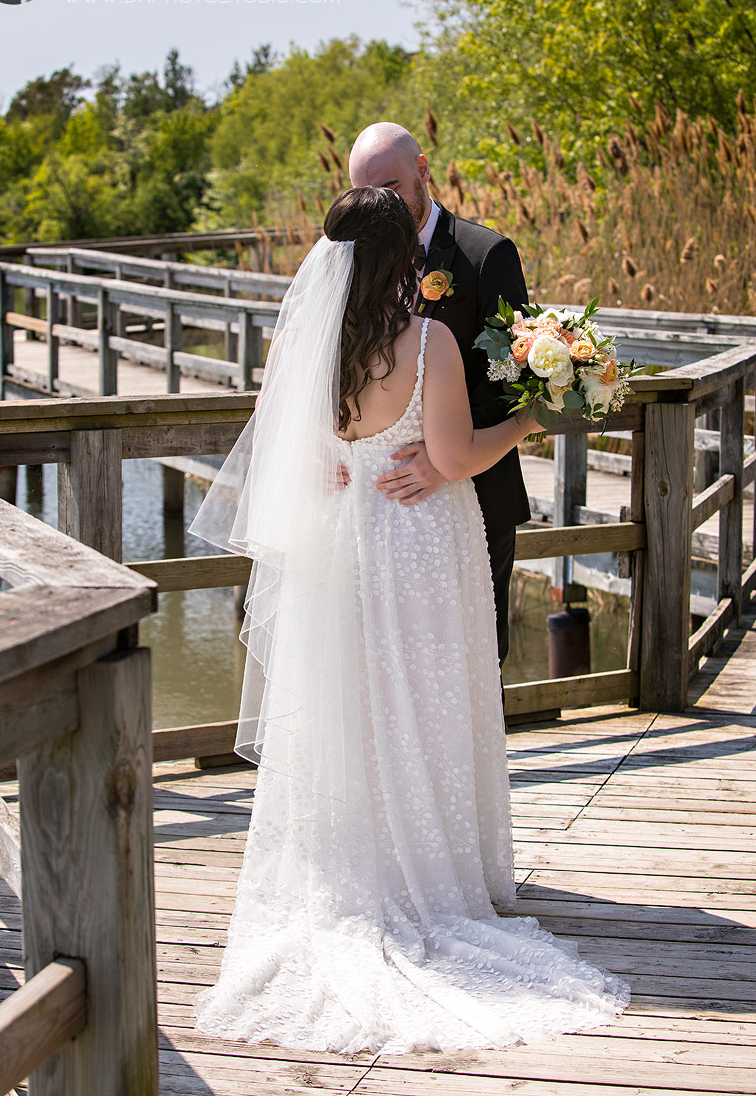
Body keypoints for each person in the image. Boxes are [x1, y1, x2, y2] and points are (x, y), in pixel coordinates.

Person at [188, 186, 630, 1054]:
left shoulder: (306, 345)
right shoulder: (425, 338)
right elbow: (454, 457)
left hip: (344, 543)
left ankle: (353, 875)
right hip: (423, 543)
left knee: (351, 708)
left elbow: (295, 442)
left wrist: (333, 461)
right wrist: (531, 418)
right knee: (425, 707)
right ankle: (430, 881)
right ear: (406, 258)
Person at [348, 122, 529, 679]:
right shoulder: (348, 259)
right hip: (376, 510)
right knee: (379, 670)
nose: (384, 205)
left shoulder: (485, 254)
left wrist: (446, 456)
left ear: (424, 169)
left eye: (393, 186)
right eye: (368, 192)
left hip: (475, 491)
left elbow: (509, 372)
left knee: (476, 660)